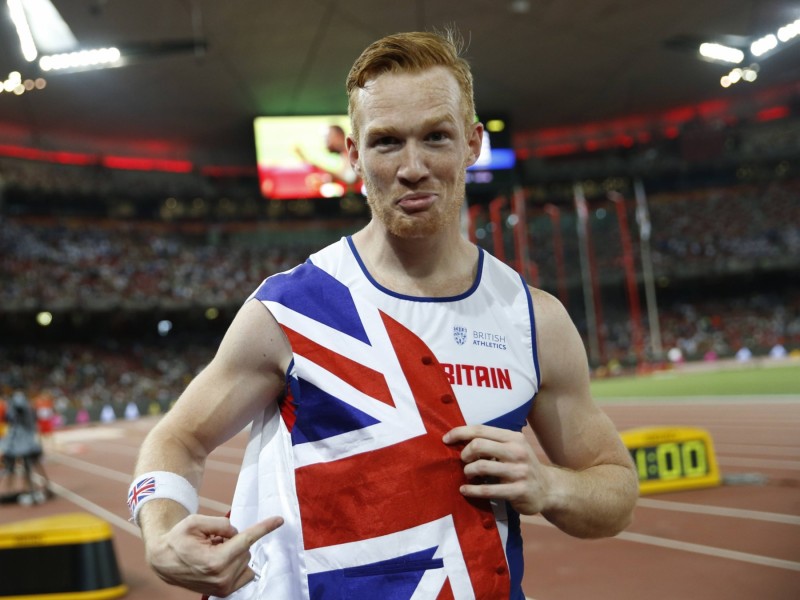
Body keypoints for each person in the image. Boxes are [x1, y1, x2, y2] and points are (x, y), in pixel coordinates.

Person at [129, 29, 638, 599]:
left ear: (472, 145)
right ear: (353, 155)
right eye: (387, 142)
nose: (413, 166)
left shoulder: (533, 319)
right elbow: (180, 438)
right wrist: (162, 532)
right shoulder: (291, 309)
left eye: (436, 137)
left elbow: (615, 489)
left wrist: (550, 487)